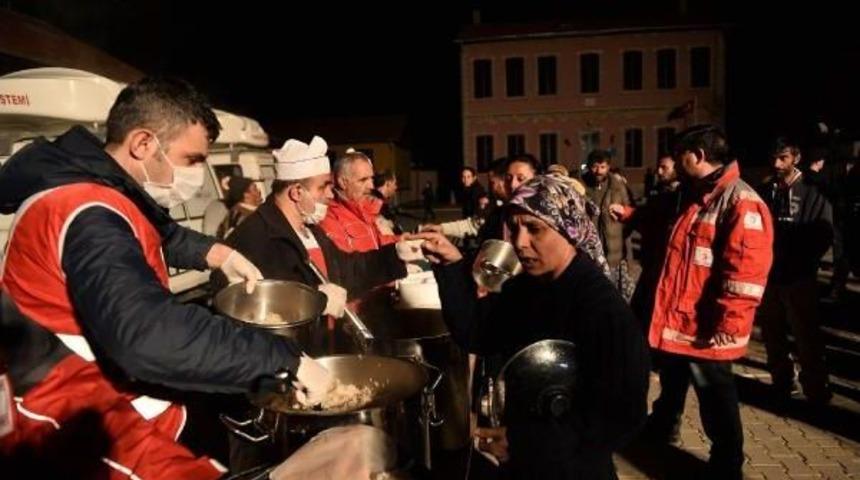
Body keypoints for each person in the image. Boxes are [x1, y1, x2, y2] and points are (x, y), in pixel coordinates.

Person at [0, 77, 332, 479]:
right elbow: (148, 336)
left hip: (118, 389)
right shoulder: (88, 213)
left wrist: (215, 253)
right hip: (81, 409)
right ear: (143, 144)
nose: (196, 173)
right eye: (191, 160)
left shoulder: (100, 185)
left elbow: (159, 230)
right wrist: (283, 358)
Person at [412, 174, 649, 479]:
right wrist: (450, 266)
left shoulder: (600, 308)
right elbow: (478, 331)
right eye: (513, 227)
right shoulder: (528, 286)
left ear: (568, 229)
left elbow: (623, 414)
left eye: (535, 228)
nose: (519, 242)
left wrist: (530, 441)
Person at [644, 125, 774, 480]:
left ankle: (727, 461)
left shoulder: (738, 199)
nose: (674, 162)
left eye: (680, 155)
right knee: (673, 379)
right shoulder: (697, 193)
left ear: (697, 155)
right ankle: (663, 427)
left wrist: (730, 324)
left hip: (709, 325)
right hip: (683, 319)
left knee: (715, 395)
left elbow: (746, 271)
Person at [757, 137, 833, 404]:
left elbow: (824, 232)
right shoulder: (767, 190)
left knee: (806, 335)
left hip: (799, 276)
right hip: (770, 275)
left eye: (783, 158)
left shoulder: (813, 190)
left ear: (796, 158)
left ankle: (815, 388)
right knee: (772, 332)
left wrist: (804, 261)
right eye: (774, 158)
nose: (777, 164)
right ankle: (782, 381)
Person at [609, 153, 681, 328]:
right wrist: (627, 213)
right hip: (651, 259)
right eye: (659, 166)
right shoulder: (658, 191)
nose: (659, 171)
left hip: (667, 263)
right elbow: (646, 216)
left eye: (665, 167)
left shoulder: (681, 195)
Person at [319, 150, 398, 253]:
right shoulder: (330, 217)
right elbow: (348, 263)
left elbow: (378, 241)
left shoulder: (362, 207)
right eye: (363, 180)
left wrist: (409, 239)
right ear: (343, 182)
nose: (371, 186)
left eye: (371, 179)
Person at [582, 150, 633, 300]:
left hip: (613, 253)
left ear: (609, 167)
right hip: (589, 252)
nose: (598, 171)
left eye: (602, 167)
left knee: (612, 295)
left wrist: (620, 229)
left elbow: (630, 213)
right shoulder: (580, 185)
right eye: (595, 167)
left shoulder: (618, 186)